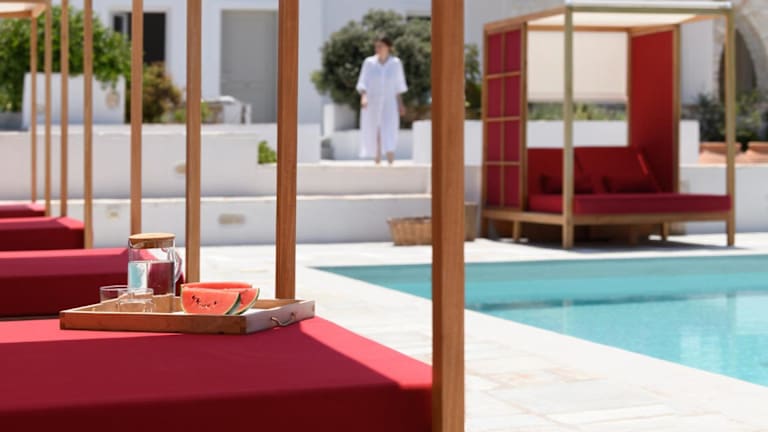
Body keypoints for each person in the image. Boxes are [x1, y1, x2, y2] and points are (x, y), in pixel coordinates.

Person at [356, 35, 408, 165]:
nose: (377, 49)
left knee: (389, 129)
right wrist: (364, 97)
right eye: (376, 46)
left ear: (388, 47)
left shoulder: (396, 63)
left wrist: (400, 104)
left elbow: (398, 86)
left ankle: (391, 161)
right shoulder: (369, 63)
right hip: (372, 102)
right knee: (374, 130)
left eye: (380, 46)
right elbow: (363, 82)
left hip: (390, 103)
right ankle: (377, 160)